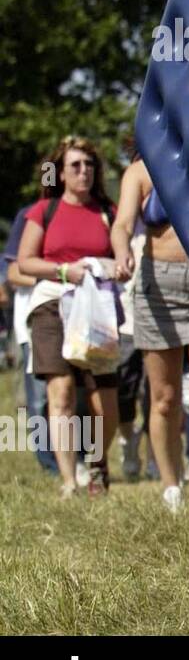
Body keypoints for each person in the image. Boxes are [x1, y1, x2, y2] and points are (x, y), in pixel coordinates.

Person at [112, 151, 189, 511]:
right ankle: (171, 485)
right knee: (163, 398)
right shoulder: (139, 171)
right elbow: (122, 224)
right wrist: (121, 253)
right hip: (158, 285)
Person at [16, 137, 126, 498]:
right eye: (75, 166)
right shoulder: (43, 211)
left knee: (104, 399)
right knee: (60, 394)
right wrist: (64, 272)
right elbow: (25, 262)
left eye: (89, 166)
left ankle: (96, 463)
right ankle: (68, 480)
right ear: (60, 174)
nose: (84, 172)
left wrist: (120, 265)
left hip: (98, 310)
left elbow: (122, 252)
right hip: (51, 305)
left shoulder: (107, 211)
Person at [4, 200, 58, 475]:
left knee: (79, 393)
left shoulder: (93, 209)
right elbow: (13, 272)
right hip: (33, 320)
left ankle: (82, 458)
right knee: (39, 399)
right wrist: (53, 277)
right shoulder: (29, 215)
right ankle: (50, 464)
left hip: (80, 319)